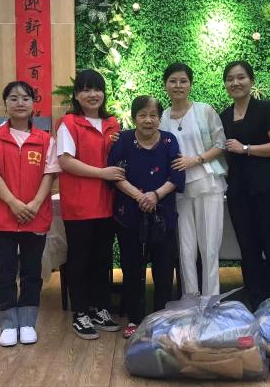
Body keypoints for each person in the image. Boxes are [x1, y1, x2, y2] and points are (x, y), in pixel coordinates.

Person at [0, 81, 60, 347]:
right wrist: (14, 203)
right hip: (2, 217)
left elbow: (49, 174)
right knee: (4, 272)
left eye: (25, 98)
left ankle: (27, 322)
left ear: (33, 104)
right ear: (5, 104)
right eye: (13, 98)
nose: (20, 103)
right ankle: (7, 323)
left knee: (31, 271)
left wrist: (35, 204)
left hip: (35, 216)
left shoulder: (45, 140)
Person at [108, 96, 185, 339]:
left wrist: (155, 195)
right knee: (132, 268)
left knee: (164, 268)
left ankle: (162, 318)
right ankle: (135, 318)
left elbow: (177, 176)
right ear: (134, 118)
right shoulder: (123, 140)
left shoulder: (169, 140)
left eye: (153, 115)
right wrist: (140, 196)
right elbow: (115, 174)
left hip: (162, 214)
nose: (148, 120)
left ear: (159, 118)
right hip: (129, 215)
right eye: (142, 115)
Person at [57, 69, 124, 339]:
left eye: (97, 89)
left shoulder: (113, 124)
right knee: (80, 259)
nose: (92, 94)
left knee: (102, 258)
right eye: (85, 89)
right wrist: (102, 173)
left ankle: (100, 307)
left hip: (107, 203)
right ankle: (81, 312)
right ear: (76, 95)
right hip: (80, 204)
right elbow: (65, 161)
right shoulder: (69, 123)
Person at [220, 60, 270, 310]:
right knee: (248, 249)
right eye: (230, 79)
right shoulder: (224, 116)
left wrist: (246, 148)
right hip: (238, 192)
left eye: (241, 77)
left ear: (251, 80)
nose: (235, 83)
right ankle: (256, 302)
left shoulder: (265, 109)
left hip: (265, 189)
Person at [159, 63, 227, 297]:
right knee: (186, 249)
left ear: (190, 84)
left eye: (183, 81)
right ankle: (190, 299)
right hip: (178, 190)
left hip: (208, 185)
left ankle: (211, 301)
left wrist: (196, 160)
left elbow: (221, 144)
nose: (178, 85)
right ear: (165, 85)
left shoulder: (204, 110)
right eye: (173, 81)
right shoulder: (162, 117)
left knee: (209, 248)